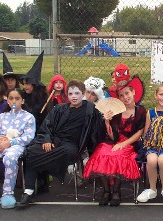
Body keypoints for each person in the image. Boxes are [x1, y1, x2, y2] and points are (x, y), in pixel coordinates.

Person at [18, 80, 104, 208]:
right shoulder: (59, 109)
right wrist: (47, 140)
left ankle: (42, 174)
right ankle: (28, 191)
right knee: (30, 152)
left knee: (65, 152)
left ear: (83, 94)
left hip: (72, 146)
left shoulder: (91, 111)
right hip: (54, 142)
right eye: (70, 93)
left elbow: (97, 132)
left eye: (77, 93)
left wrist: (106, 120)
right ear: (67, 95)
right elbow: (46, 126)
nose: (74, 96)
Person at [83, 80, 145, 206]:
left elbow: (139, 132)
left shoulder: (140, 111)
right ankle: (106, 191)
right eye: (121, 95)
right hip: (114, 141)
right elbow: (112, 136)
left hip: (130, 144)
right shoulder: (116, 112)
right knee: (100, 152)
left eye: (127, 93)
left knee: (117, 156)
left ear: (133, 92)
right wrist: (106, 122)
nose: (125, 97)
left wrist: (123, 144)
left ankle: (116, 191)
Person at [19, 51, 49, 131]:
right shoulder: (23, 95)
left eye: (27, 84)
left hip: (39, 128)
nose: (25, 87)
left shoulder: (43, 97)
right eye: (24, 84)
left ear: (35, 85)